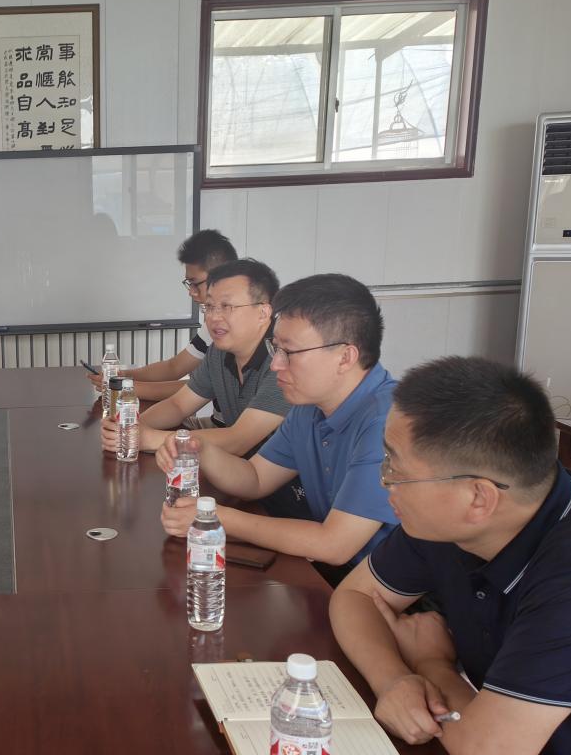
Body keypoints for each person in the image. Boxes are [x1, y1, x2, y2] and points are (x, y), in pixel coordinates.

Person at [329, 357, 571, 755]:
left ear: (478, 496)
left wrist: (431, 664)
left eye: (395, 468)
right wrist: (393, 680)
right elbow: (355, 597)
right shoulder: (450, 523)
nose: (385, 482)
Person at [158, 273, 398, 583]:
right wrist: (201, 449)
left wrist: (215, 517)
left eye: (289, 352)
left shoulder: (388, 422)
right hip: (335, 574)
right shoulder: (309, 406)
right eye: (275, 349)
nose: (275, 365)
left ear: (345, 357)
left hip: (389, 592)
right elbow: (255, 478)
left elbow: (334, 544)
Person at [100, 258, 289, 458]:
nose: (213, 317)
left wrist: (149, 438)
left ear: (263, 313)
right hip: (237, 466)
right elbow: (178, 405)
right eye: (209, 306)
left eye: (226, 306)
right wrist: (131, 427)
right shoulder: (219, 351)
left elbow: (238, 440)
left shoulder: (283, 361)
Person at [85, 229, 238, 403]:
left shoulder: (239, 328)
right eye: (188, 284)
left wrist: (124, 386)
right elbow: (174, 368)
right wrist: (123, 376)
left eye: (195, 283)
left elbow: (198, 388)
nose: (191, 292)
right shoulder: (213, 323)